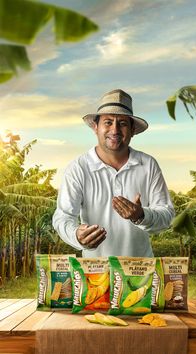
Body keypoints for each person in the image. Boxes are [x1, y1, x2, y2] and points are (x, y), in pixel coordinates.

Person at [52, 89, 175, 257]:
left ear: (132, 130)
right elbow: (63, 216)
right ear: (96, 127)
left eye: (123, 123)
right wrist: (76, 235)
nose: (115, 130)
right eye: (108, 122)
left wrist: (141, 215)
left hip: (140, 271)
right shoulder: (78, 168)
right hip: (95, 273)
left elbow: (166, 215)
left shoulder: (148, 165)